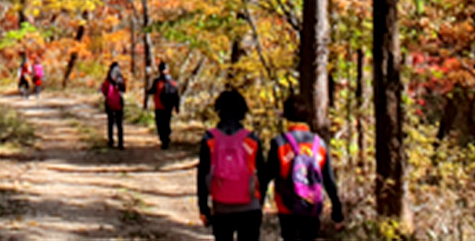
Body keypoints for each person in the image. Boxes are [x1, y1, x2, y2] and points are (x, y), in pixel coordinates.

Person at [263, 95, 344, 241]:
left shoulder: (280, 143)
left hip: (287, 207)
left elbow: (266, 176)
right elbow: (329, 181)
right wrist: (337, 210)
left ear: (286, 117)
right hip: (312, 206)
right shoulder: (319, 145)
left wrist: (257, 204)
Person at [197, 88, 265, 241]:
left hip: (221, 206)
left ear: (219, 110)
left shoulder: (210, 139)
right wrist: (261, 202)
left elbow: (202, 174)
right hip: (250, 206)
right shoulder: (252, 140)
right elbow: (262, 174)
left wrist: (203, 206)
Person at [147, 60, 181, 149]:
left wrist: (147, 90)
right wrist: (177, 107)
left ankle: (164, 139)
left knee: (160, 123)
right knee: (167, 122)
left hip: (159, 106)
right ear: (168, 70)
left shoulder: (157, 81)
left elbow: (151, 91)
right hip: (169, 106)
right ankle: (166, 137)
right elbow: (176, 95)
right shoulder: (172, 82)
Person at [101, 60, 127, 149]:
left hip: (109, 103)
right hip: (119, 103)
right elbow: (124, 90)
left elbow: (103, 91)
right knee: (119, 124)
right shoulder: (121, 78)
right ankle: (120, 143)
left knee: (110, 122)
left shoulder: (107, 80)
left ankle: (111, 141)